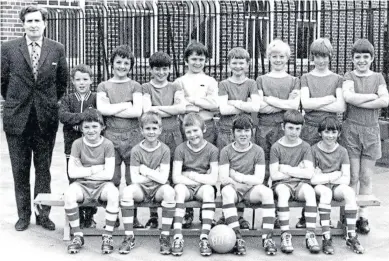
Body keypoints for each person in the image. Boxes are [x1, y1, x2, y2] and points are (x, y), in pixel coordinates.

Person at [1, 5, 68, 231]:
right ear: (23, 24)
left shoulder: (56, 49)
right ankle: (23, 215)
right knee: (20, 169)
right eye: (29, 21)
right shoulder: (8, 49)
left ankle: (43, 214)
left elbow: (61, 84)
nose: (33, 25)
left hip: (45, 120)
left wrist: (46, 104)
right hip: (17, 119)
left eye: (37, 21)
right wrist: (18, 102)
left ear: (44, 23)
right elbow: (3, 83)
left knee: (43, 170)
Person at [341, 39, 389, 234]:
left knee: (366, 177)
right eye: (358, 57)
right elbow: (348, 98)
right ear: (352, 59)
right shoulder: (348, 75)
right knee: (352, 176)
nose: (361, 60)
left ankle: (363, 216)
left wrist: (364, 100)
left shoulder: (378, 77)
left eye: (365, 57)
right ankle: (348, 214)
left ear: (372, 58)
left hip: (371, 131)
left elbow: (385, 101)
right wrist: (372, 97)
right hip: (351, 129)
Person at [297, 38, 345, 228]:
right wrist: (328, 98)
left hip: (331, 130)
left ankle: (327, 214)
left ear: (330, 57)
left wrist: (316, 102)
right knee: (310, 172)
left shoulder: (338, 79)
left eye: (324, 56)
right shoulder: (306, 77)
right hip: (310, 129)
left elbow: (340, 106)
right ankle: (305, 215)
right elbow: (306, 105)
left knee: (328, 170)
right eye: (317, 56)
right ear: (312, 57)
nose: (321, 60)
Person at [96, 45, 144, 228]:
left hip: (133, 137)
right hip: (111, 137)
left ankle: (134, 218)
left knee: (133, 180)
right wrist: (126, 104)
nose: (122, 66)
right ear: (112, 63)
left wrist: (113, 108)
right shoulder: (103, 85)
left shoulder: (135, 85)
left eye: (126, 63)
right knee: (112, 178)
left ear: (131, 65)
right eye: (118, 62)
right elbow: (102, 109)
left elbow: (137, 111)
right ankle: (113, 215)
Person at [173, 40, 219, 228]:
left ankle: (207, 212)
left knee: (207, 164)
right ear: (186, 61)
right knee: (187, 163)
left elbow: (215, 106)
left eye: (201, 59)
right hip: (186, 126)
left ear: (206, 61)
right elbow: (181, 106)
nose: (197, 62)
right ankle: (188, 212)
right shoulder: (179, 81)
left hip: (206, 125)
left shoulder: (210, 81)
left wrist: (192, 100)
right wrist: (201, 101)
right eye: (193, 59)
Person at [219, 115, 277, 255]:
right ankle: (237, 237)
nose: (243, 134)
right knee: (226, 192)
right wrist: (234, 182)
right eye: (239, 131)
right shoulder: (226, 151)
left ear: (253, 132)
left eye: (246, 130)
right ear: (233, 133)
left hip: (250, 189)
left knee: (267, 193)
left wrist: (237, 176)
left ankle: (267, 237)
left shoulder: (258, 151)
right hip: (233, 188)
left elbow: (259, 178)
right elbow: (223, 177)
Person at [119, 112, 176, 255]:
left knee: (169, 192)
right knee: (127, 192)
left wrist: (144, 170)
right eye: (148, 128)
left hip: (158, 189)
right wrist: (154, 173)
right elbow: (134, 178)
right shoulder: (136, 150)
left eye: (154, 128)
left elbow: (163, 179)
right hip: (142, 189)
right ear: (141, 130)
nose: (151, 132)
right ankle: (129, 236)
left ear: (160, 130)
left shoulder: (165, 149)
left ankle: (165, 236)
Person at [64, 108, 119, 254]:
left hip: (103, 185)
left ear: (102, 127)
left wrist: (83, 171)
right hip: (81, 185)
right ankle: (77, 235)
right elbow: (72, 173)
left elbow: (108, 175)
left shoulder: (107, 144)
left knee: (113, 194)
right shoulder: (77, 144)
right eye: (86, 127)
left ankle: (107, 235)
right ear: (81, 128)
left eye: (95, 126)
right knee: (69, 195)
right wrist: (96, 169)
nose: (91, 130)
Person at [216, 47, 260, 229]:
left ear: (247, 64)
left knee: (244, 170)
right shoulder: (224, 84)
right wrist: (244, 104)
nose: (238, 66)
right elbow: (223, 110)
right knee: (226, 173)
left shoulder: (252, 84)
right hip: (226, 131)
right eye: (234, 62)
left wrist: (233, 103)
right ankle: (227, 213)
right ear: (229, 64)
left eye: (241, 62)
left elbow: (256, 107)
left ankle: (240, 215)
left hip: (246, 132)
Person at [142, 51, 186, 229]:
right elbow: (146, 110)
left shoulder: (175, 86)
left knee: (175, 173)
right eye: (157, 69)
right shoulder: (145, 87)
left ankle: (178, 214)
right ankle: (153, 215)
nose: (161, 72)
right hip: (154, 134)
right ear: (151, 70)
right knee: (153, 173)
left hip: (174, 133)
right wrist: (170, 109)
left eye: (165, 69)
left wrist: (156, 108)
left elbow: (181, 108)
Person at [310, 116, 364, 254]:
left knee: (350, 192)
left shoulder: (342, 151)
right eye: (327, 132)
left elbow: (346, 179)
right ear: (320, 133)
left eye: (334, 132)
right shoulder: (314, 150)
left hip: (335, 186)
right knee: (326, 193)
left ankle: (351, 235)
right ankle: (326, 236)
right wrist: (334, 175)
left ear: (339, 133)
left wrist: (324, 176)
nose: (330, 136)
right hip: (320, 187)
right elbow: (313, 179)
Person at [269, 110, 320, 254]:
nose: (294, 132)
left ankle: (310, 234)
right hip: (282, 184)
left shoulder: (305, 147)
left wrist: (286, 169)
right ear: (282, 127)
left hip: (300, 184)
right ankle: (285, 234)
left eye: (298, 129)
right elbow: (274, 175)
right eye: (290, 128)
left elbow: (309, 173)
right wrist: (298, 170)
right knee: (283, 194)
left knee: (310, 192)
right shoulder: (276, 147)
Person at [171, 113, 219, 256]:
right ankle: (177, 236)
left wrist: (190, 175)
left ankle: (204, 236)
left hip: (202, 187)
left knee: (209, 191)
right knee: (178, 189)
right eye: (188, 132)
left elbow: (213, 179)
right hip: (186, 186)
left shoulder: (212, 150)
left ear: (204, 129)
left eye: (195, 130)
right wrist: (199, 178)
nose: (192, 135)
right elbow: (176, 177)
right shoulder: (180, 149)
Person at [256, 39, 300, 187]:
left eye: (281, 56)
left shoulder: (294, 81)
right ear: (269, 58)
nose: (278, 60)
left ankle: (279, 202)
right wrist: (284, 103)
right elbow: (260, 107)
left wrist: (270, 99)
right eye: (274, 56)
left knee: (282, 165)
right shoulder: (261, 80)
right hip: (264, 128)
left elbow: (294, 106)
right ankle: (262, 201)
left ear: (287, 58)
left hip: (284, 128)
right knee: (264, 165)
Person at [59, 64, 98, 229]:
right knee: (74, 178)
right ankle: (78, 215)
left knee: (91, 179)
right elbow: (63, 116)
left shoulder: (95, 98)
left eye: (85, 79)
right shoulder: (68, 99)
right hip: (72, 146)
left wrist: (78, 123)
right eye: (78, 80)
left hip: (92, 147)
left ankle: (90, 214)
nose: (82, 83)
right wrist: (84, 118)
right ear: (72, 82)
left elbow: (98, 115)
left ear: (91, 80)